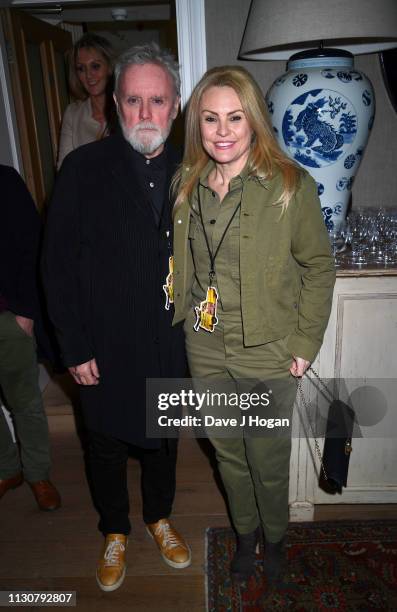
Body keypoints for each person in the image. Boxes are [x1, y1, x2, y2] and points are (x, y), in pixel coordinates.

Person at [172, 66, 336, 583]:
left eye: (235, 118)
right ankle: (245, 538)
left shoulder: (290, 185)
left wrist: (305, 341)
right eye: (211, 119)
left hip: (267, 348)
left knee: (266, 458)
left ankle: (277, 541)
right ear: (197, 125)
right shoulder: (187, 184)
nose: (223, 131)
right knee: (228, 456)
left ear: (254, 122)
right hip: (205, 346)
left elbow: (319, 267)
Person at [43, 43, 190, 593]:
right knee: (103, 443)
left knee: (165, 440)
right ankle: (115, 530)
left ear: (175, 106)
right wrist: (73, 347)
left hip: (172, 343)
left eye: (158, 101)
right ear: (115, 103)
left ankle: (159, 517)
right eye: (134, 100)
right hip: (103, 342)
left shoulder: (199, 168)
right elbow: (55, 265)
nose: (146, 114)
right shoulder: (82, 169)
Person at [0, 165, 61, 512]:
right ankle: (7, 470)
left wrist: (26, 311)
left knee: (25, 401)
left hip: (8, 317)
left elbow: (32, 245)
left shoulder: (6, 181)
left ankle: (38, 474)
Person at [57, 33, 116, 170]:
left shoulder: (127, 110)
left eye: (95, 66)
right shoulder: (73, 113)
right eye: (81, 68)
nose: (89, 75)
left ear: (109, 67)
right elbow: (64, 168)